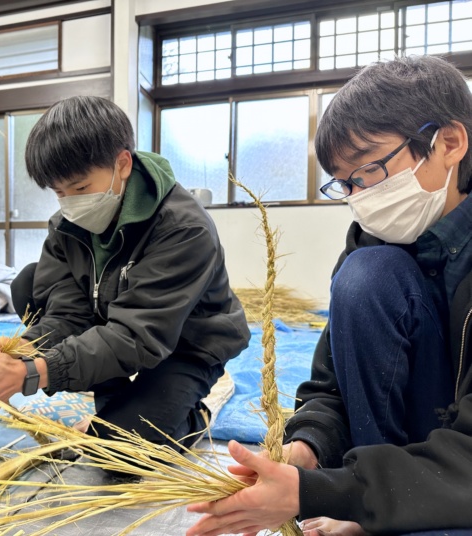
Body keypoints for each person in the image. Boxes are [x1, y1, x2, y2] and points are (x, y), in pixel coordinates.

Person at [187, 54, 472, 536]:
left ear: (449, 142)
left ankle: (384, 506)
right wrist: (307, 452)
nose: (359, 196)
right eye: (345, 183)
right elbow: (333, 384)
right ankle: (384, 505)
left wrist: (327, 494)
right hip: (410, 455)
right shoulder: (373, 238)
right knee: (366, 275)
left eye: (369, 171)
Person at [0, 95, 250, 463]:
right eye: (59, 192)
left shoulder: (182, 228)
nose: (69, 203)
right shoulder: (68, 225)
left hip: (185, 343)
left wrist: (32, 373)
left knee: (123, 454)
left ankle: (194, 411)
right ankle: (117, 404)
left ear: (122, 164)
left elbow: (137, 336)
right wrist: (24, 351)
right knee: (28, 284)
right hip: (117, 326)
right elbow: (68, 312)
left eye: (79, 189)